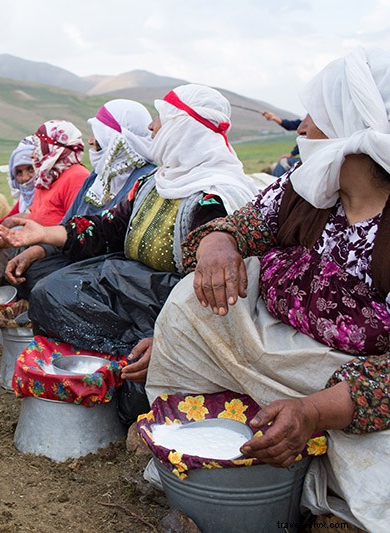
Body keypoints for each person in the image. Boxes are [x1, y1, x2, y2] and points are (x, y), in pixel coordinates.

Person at [146, 48, 390, 531]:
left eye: (316, 116)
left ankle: (322, 497)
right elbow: (239, 226)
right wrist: (217, 242)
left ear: (355, 124)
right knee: (192, 299)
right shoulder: (299, 191)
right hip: (267, 356)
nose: (300, 129)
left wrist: (314, 410)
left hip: (347, 386)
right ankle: (191, 434)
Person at [0, 85, 258, 424]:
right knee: (48, 293)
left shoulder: (215, 198)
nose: (151, 128)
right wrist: (42, 235)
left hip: (173, 305)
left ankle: (149, 353)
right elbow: (107, 227)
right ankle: (128, 352)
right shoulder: (153, 182)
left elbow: (212, 292)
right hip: (127, 285)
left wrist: (164, 337)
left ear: (184, 128)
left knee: (137, 397)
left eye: (159, 121)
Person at [0, 99, 158, 298]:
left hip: (111, 270)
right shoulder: (96, 179)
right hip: (77, 259)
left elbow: (122, 243)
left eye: (98, 132)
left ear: (117, 138)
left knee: (49, 287)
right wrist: (35, 251)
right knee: (27, 273)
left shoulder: (145, 182)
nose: (90, 141)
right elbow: (67, 226)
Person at [0, 120, 89, 328]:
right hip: (34, 242)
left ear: (55, 148)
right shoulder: (47, 178)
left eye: (39, 147)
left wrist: (32, 251)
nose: (33, 153)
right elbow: (34, 214)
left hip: (58, 250)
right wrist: (5, 238)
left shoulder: (76, 177)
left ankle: (27, 327)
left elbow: (75, 229)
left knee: (27, 275)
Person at [262, 110, 303, 177]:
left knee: (283, 163)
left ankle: (275, 186)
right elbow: (291, 125)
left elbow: (308, 138)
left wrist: (292, 154)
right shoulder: (311, 117)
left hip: (314, 158)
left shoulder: (317, 118)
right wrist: (274, 117)